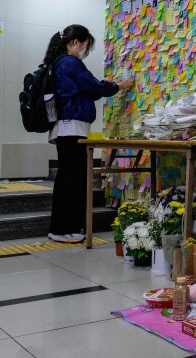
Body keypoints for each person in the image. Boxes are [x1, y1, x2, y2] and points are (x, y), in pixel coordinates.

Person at [43, 24, 135, 243]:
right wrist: (119, 86)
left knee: (66, 178)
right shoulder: (70, 63)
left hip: (64, 127)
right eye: (85, 46)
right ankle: (67, 229)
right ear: (76, 43)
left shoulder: (58, 63)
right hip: (72, 126)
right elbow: (93, 86)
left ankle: (59, 228)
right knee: (73, 180)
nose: (84, 51)